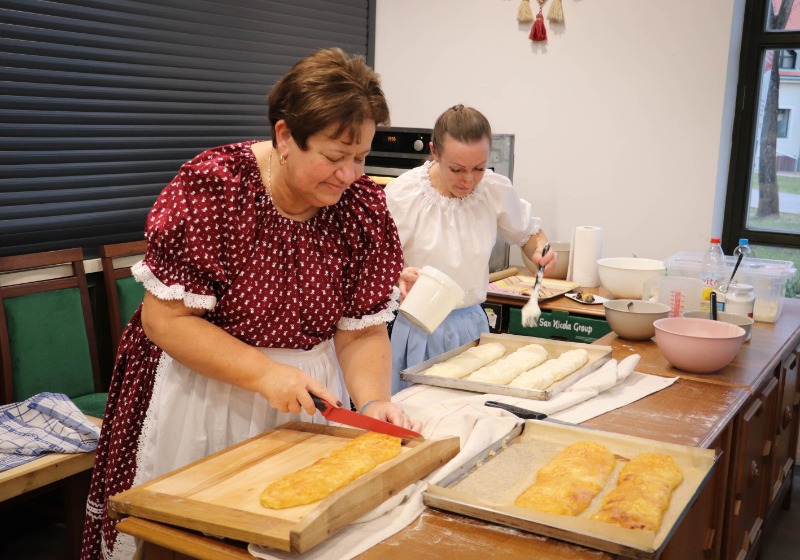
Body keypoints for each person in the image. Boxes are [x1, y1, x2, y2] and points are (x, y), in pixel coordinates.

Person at [81, 48, 421, 560]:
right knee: (193, 542)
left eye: (361, 157)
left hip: (308, 399)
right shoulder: (216, 188)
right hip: (206, 393)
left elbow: (360, 330)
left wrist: (372, 402)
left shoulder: (360, 212)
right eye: (333, 156)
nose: (350, 174)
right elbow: (165, 319)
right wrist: (264, 375)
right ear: (285, 136)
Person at [385, 104, 555, 394]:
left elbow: (530, 235)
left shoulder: (493, 190)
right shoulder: (404, 194)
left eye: (478, 168)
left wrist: (540, 251)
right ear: (434, 152)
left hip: (472, 327)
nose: (468, 180)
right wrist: (397, 274)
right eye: (457, 169)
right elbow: (372, 264)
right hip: (418, 327)